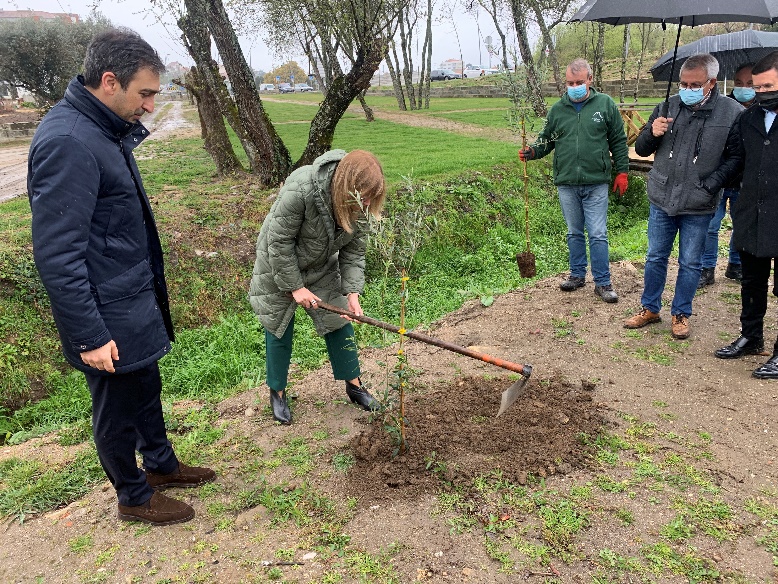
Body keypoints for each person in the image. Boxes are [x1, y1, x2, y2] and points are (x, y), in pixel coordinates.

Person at [27, 28, 215, 526]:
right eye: (146, 93)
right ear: (110, 81)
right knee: (115, 408)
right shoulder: (68, 142)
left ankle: (160, 466)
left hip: (128, 297)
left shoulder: (101, 129)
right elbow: (56, 255)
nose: (151, 106)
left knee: (145, 385)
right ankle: (133, 496)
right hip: (104, 312)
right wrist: (90, 336)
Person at [248, 149, 386, 425]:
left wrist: (352, 292)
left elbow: (354, 252)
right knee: (278, 326)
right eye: (364, 195)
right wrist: (295, 287)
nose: (368, 202)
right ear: (347, 187)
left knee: (339, 318)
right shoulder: (302, 188)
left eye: (372, 196)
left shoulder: (362, 203)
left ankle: (354, 385)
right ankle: (277, 392)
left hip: (320, 264)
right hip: (278, 263)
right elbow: (278, 242)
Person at [623, 54, 743, 339]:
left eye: (695, 84)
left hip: (699, 204)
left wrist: (710, 185)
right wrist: (652, 133)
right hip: (662, 197)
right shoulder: (666, 106)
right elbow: (640, 149)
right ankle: (649, 308)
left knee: (690, 262)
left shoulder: (731, 112)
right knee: (655, 257)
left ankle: (681, 313)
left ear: (711, 83)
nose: (687, 89)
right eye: (683, 83)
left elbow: (736, 158)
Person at [519, 58, 629, 303]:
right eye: (570, 82)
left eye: (579, 82)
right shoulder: (558, 109)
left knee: (598, 233)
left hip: (596, 181)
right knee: (574, 232)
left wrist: (622, 171)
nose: (575, 86)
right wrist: (533, 152)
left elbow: (619, 141)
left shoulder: (605, 105)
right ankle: (577, 274)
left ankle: (603, 282)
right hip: (567, 181)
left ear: (590, 80)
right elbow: (547, 140)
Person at [713, 51, 778, 378]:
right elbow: (737, 159)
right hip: (752, 211)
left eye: (768, 86)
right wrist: (713, 181)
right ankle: (751, 337)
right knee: (751, 280)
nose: (761, 92)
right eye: (757, 87)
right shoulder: (748, 118)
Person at [698, 63, 754, 287]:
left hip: (746, 178)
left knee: (741, 225)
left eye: (749, 83)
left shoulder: (764, 109)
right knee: (711, 225)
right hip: (719, 175)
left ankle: (736, 264)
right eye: (739, 83)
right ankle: (707, 267)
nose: (743, 88)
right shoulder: (723, 106)